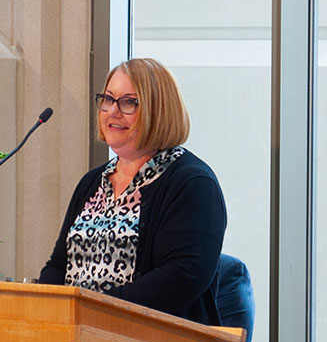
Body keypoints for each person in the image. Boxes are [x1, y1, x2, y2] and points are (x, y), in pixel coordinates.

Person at [37, 58, 226, 326]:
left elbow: (184, 276)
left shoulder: (192, 183)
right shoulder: (92, 182)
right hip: (78, 336)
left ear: (158, 111)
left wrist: (97, 311)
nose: (113, 111)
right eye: (108, 99)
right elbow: (58, 265)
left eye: (128, 102)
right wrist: (48, 310)